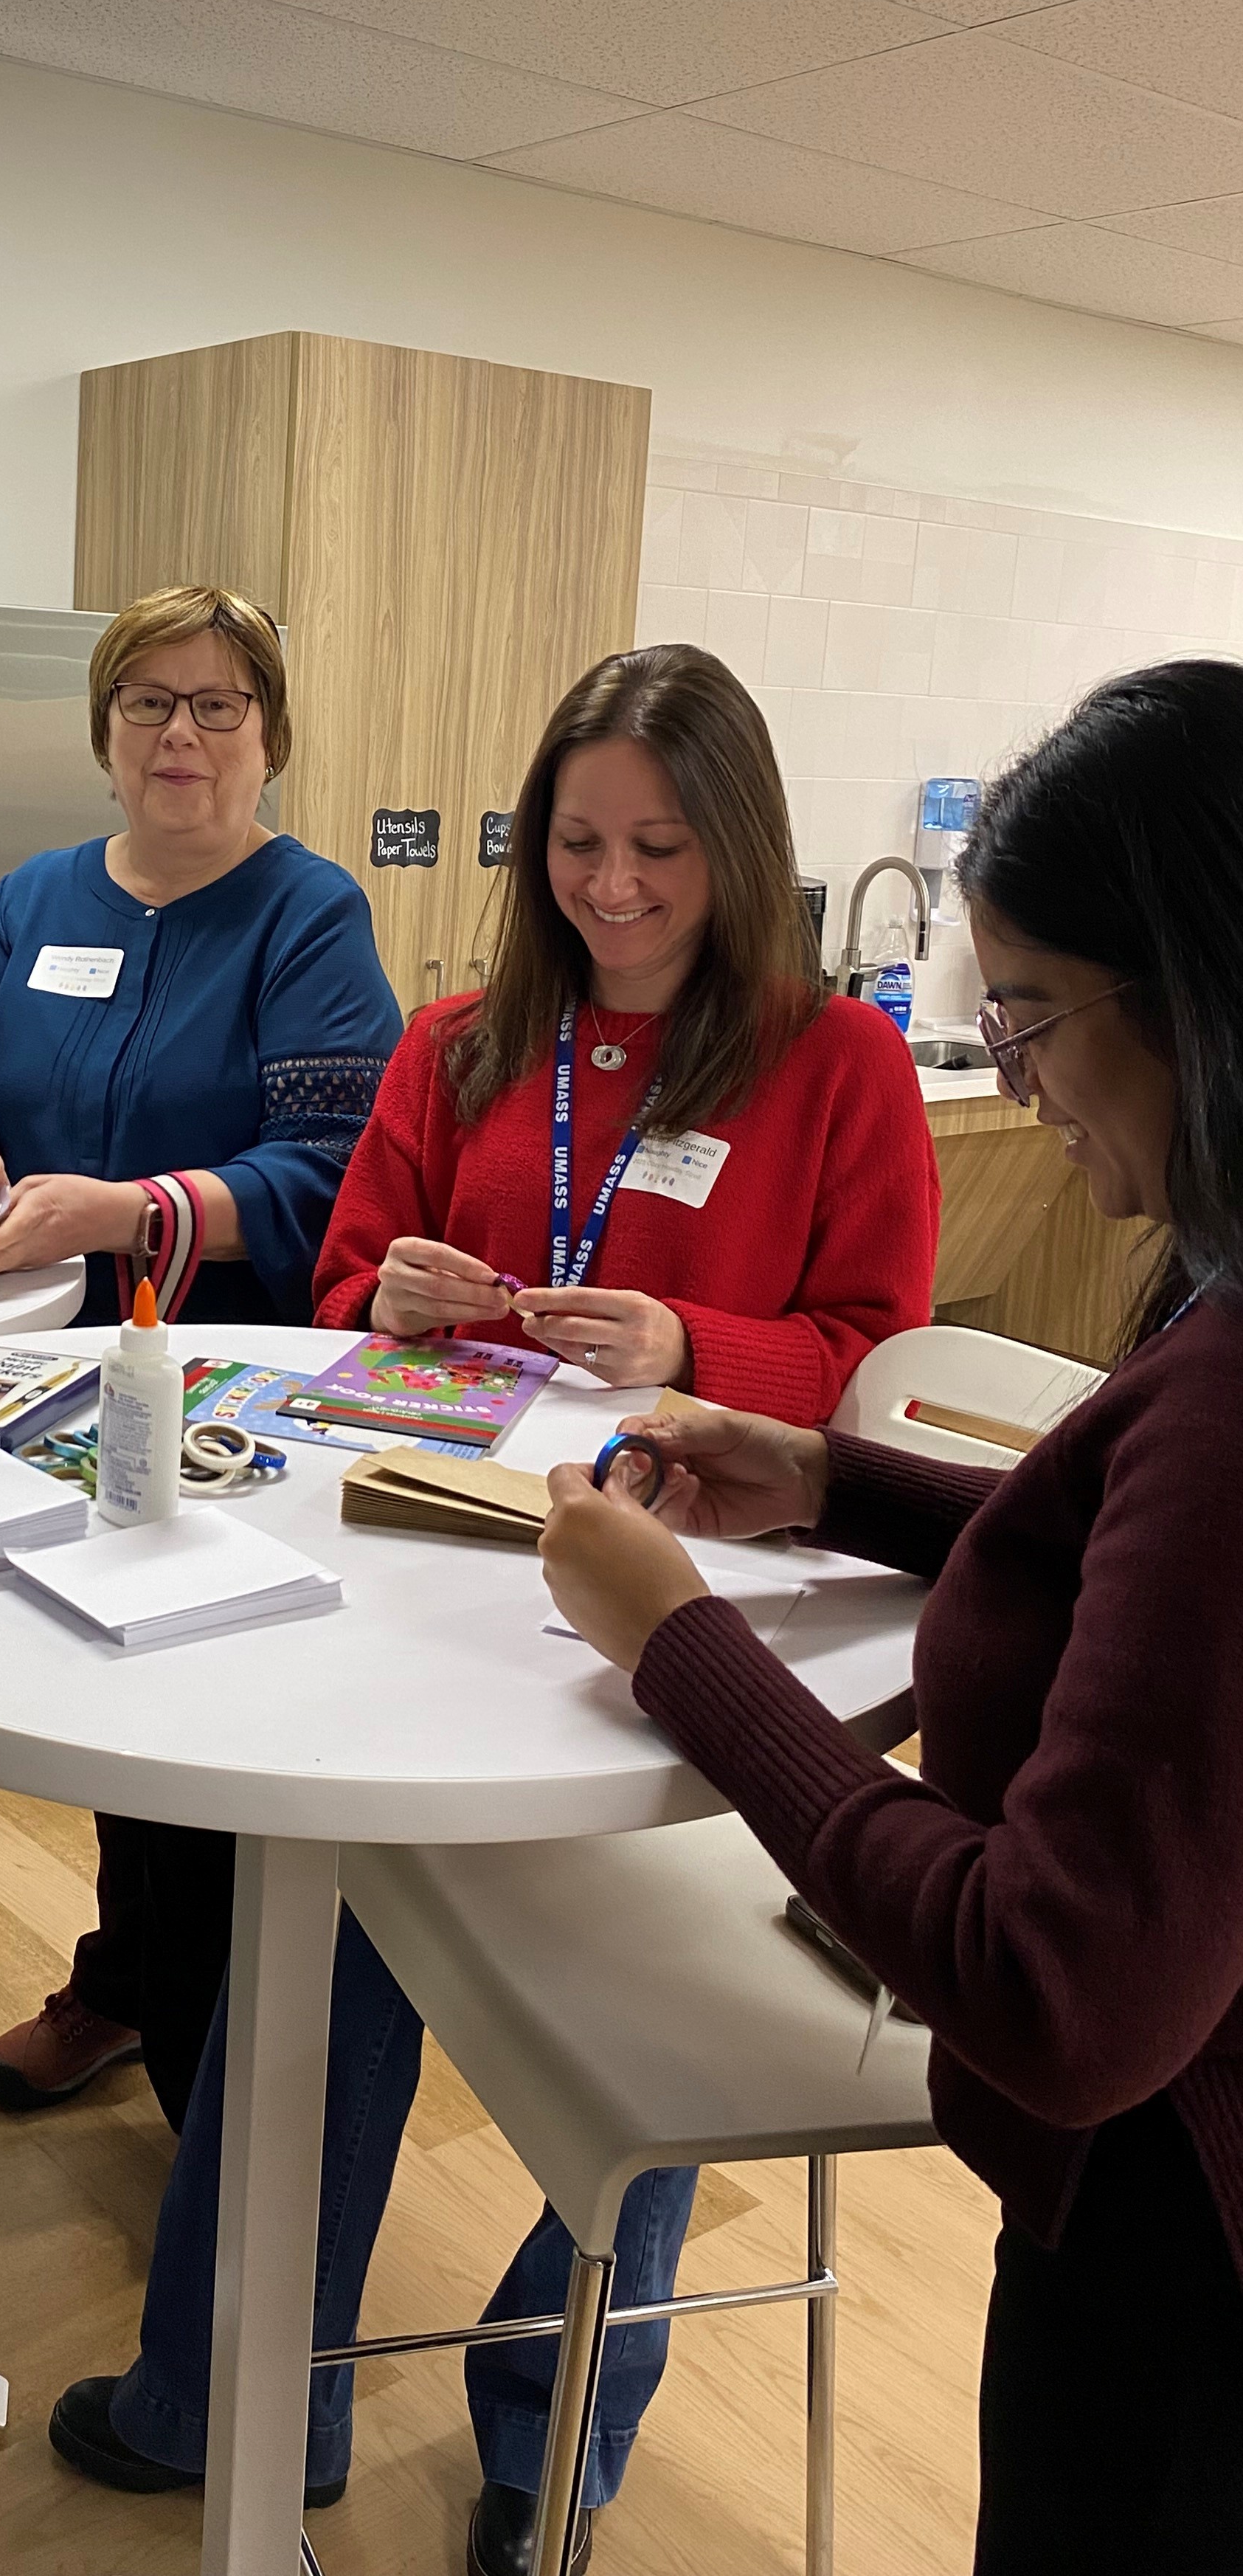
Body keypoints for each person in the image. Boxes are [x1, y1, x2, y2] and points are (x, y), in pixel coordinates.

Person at [49, 643, 941, 2575]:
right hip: (431, 1575)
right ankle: (237, 2398)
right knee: (337, 1888)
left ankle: (545, 2431)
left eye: (659, 850)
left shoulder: (838, 1063)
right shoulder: (461, 1037)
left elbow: (868, 1368)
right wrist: (393, 1292)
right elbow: (340, 1293)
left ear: (740, 849)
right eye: (577, 844)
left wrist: (695, 1341)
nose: (611, 889)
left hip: (685, 1610)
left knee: (581, 1972)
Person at [542, 658, 1243, 2575]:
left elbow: (1061, 1994)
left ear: (1191, 993)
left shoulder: (1225, 1394)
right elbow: (1147, 1583)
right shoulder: (1210, 1309)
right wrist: (830, 1478)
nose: (1008, 1073)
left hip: (1178, 2279)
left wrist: (682, 1647)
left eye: (1028, 1014)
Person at [0, 583, 401, 2128]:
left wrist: (128, 1210)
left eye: (217, 705)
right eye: (148, 703)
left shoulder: (308, 913)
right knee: (99, 1683)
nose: (180, 734)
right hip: (43, 1361)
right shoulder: (37, 895)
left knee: (204, 1705)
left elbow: (339, 1169)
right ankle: (128, 1981)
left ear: (269, 737)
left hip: (221, 1382)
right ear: (105, 731)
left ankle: (215, 2085)